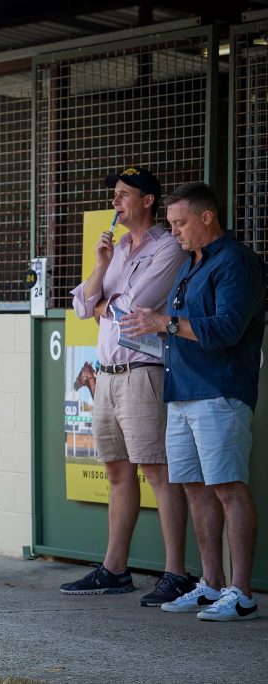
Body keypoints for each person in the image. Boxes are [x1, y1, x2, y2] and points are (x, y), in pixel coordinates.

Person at [122, 182, 266, 621]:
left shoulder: (236, 261)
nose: (175, 232)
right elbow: (179, 328)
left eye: (181, 223)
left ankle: (241, 592)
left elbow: (225, 329)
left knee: (226, 487)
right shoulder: (191, 263)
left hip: (219, 391)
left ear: (208, 217)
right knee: (194, 488)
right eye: (170, 224)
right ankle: (211, 584)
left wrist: (163, 322)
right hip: (181, 391)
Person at [63, 167, 193, 606]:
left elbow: (134, 306)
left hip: (144, 373)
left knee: (158, 471)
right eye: (114, 196)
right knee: (117, 471)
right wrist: (100, 268)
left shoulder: (168, 246)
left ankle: (177, 572)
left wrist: (106, 302)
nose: (116, 202)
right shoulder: (117, 248)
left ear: (148, 201)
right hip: (108, 375)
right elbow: (82, 304)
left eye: (123, 195)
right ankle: (114, 569)